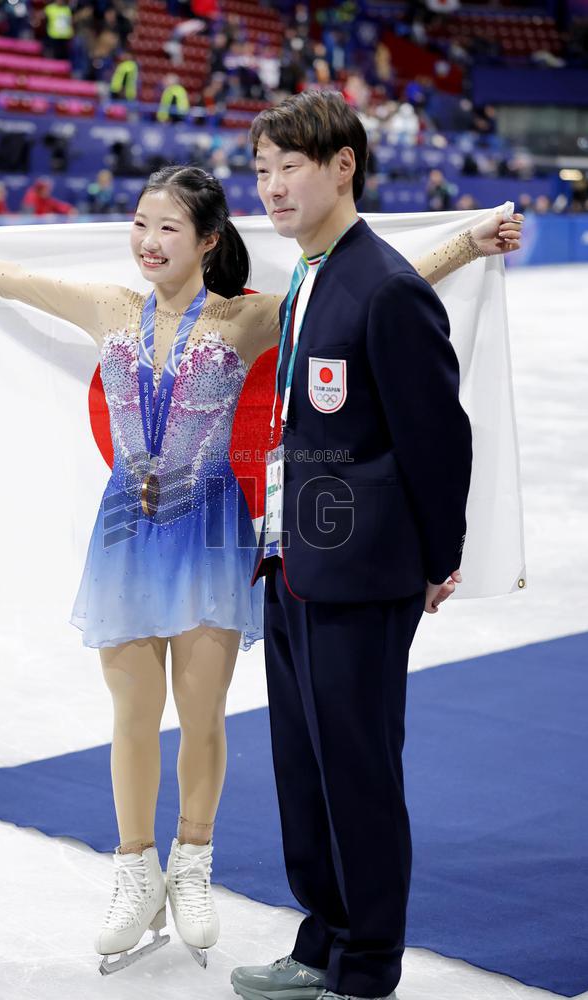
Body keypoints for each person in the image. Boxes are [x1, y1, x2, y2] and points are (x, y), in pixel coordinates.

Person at [0, 164, 521, 977]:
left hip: (212, 536)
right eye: (139, 223)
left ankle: (192, 864)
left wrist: (466, 246)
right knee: (130, 712)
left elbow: (371, 287)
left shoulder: (246, 319)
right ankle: (134, 871)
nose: (148, 241)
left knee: (201, 715)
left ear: (207, 242)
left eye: (166, 228)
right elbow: (14, 279)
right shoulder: (110, 309)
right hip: (126, 533)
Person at [230, 91, 521, 1000]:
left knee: (355, 769)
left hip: (360, 575)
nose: (272, 187)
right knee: (304, 768)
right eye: (263, 170)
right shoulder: (314, 277)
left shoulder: (384, 284)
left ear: (343, 165)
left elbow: (438, 437)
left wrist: (438, 558)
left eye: (291, 167)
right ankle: (322, 934)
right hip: (295, 565)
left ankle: (365, 965)